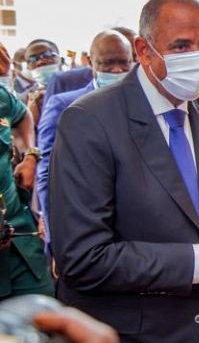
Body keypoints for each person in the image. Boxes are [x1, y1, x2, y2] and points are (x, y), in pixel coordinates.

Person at [50, 0, 199, 343]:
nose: (198, 57)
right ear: (144, 51)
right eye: (181, 46)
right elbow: (82, 257)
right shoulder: (89, 121)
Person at [36, 30, 133, 253]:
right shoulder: (64, 106)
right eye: (108, 63)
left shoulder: (146, 106)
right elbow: (48, 176)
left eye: (123, 63)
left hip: (136, 240)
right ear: (91, 62)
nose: (117, 70)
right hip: (85, 235)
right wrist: (56, 239)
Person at [0, 45, 52, 299]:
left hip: (19, 238)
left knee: (45, 323)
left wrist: (30, 155)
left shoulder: (2, 96)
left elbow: (23, 118)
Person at [24, 39, 61, 123]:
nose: (40, 62)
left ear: (59, 59)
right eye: (33, 59)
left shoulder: (78, 87)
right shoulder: (26, 100)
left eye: (47, 55)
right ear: (28, 67)